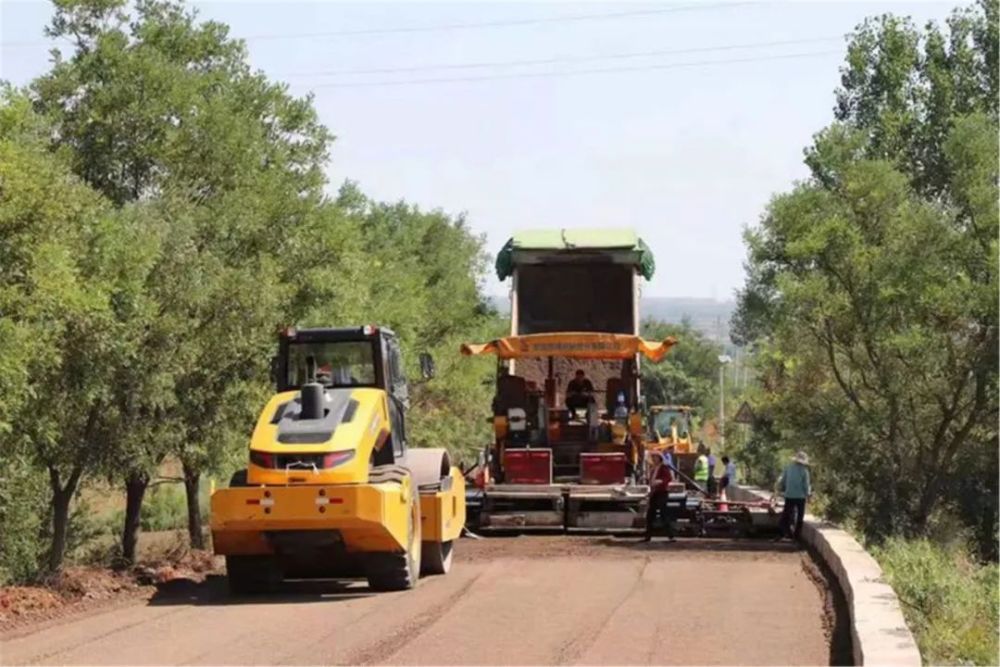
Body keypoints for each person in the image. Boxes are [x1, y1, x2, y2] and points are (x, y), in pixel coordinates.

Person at [775, 451, 812, 541]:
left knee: (786, 515)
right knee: (800, 516)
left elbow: (783, 480)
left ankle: (782, 533)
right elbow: (806, 485)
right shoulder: (804, 471)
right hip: (800, 497)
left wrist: (780, 489)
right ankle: (796, 536)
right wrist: (808, 495)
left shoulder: (788, 468)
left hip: (789, 495)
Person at [643, 453, 676, 542]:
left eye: (655, 457)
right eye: (652, 457)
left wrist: (660, 481)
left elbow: (668, 478)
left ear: (659, 458)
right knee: (650, 515)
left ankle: (671, 536)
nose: (653, 459)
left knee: (663, 513)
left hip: (662, 492)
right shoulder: (653, 468)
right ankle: (648, 536)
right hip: (654, 492)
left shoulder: (663, 467)